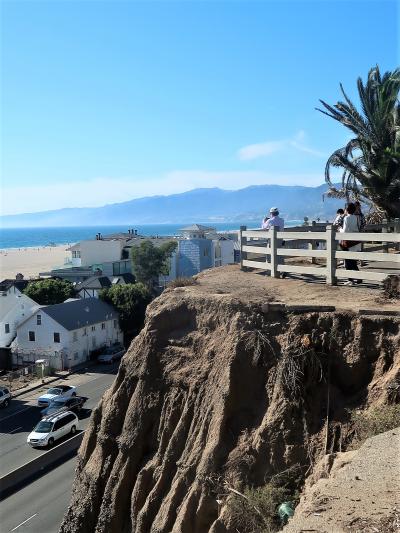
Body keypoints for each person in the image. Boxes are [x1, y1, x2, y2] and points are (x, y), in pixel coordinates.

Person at [339, 203, 362, 285]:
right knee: (352, 260)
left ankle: (352, 279)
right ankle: (355, 278)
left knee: (348, 261)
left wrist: (340, 229)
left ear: (346, 210)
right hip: (355, 241)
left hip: (348, 242)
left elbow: (344, 231)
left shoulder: (346, 218)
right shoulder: (356, 218)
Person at [262, 207, 286, 278]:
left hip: (271, 240)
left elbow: (263, 227)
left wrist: (264, 220)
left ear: (271, 213)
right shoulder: (282, 220)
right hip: (280, 239)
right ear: (278, 213)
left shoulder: (270, 221)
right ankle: (283, 271)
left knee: (269, 255)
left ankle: (270, 271)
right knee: (280, 255)